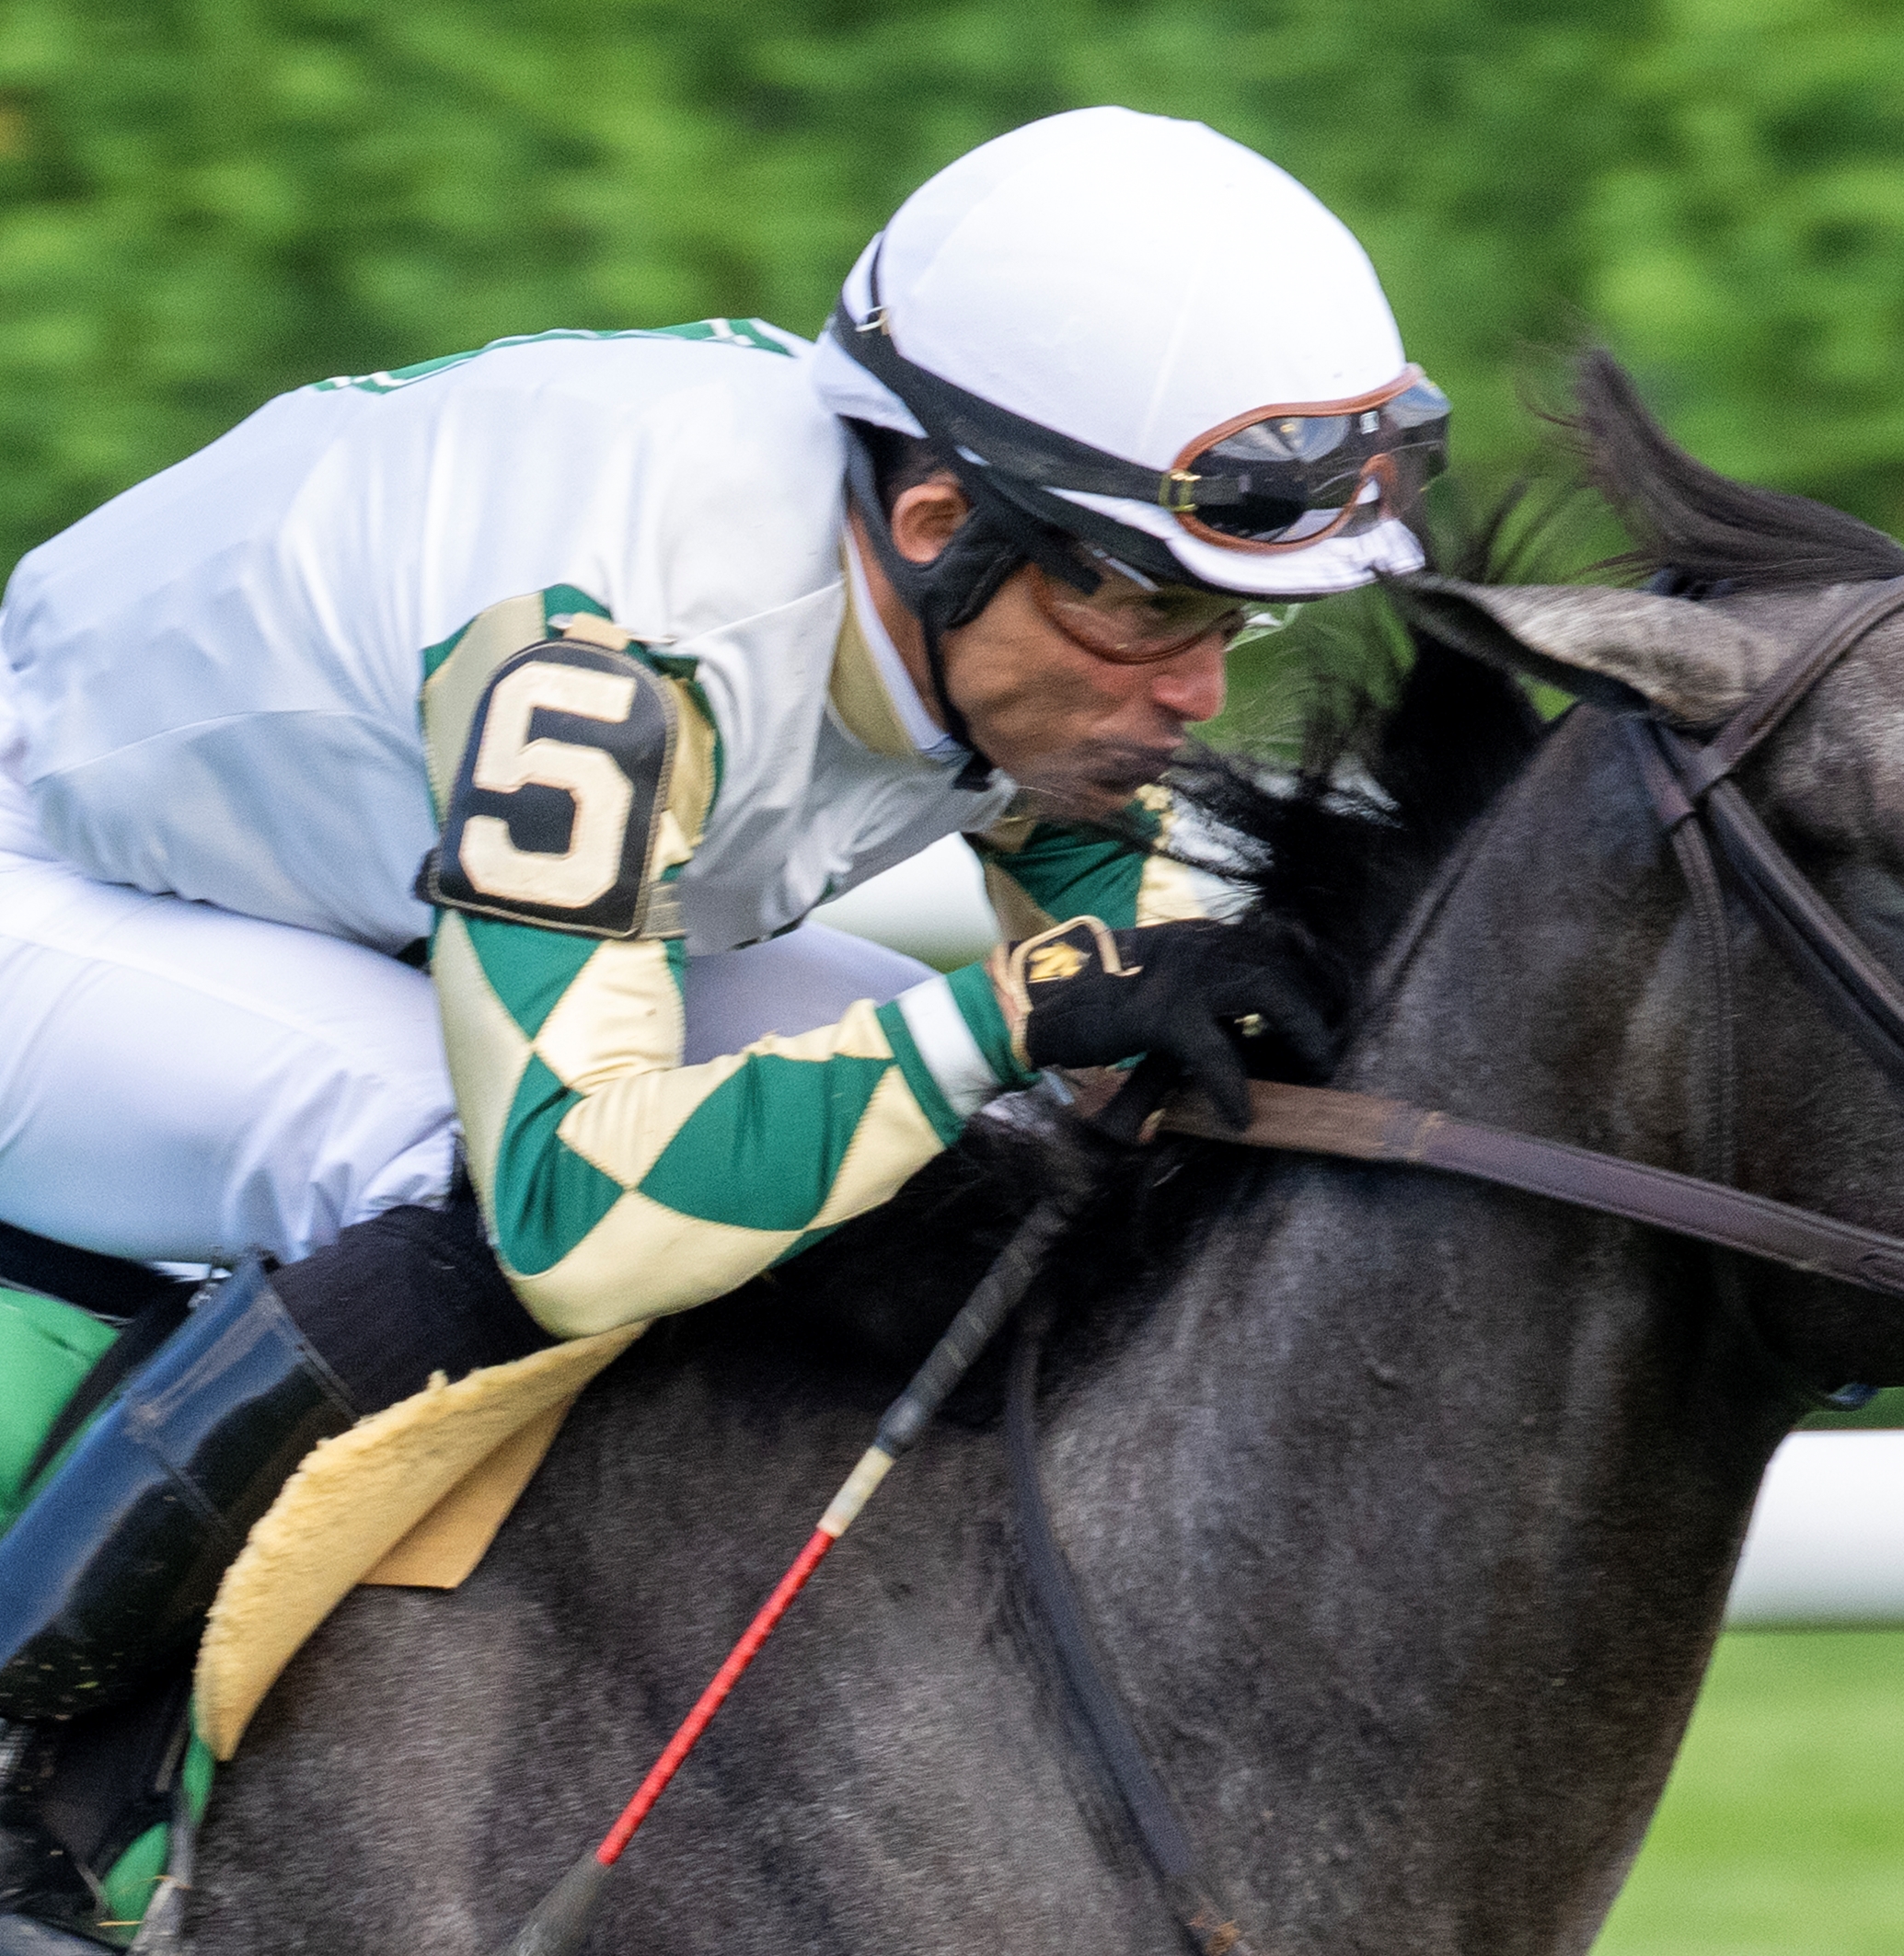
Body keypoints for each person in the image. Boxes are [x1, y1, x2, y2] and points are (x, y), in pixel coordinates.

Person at [0, 105, 1445, 1924]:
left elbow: (1126, 957)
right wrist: (1006, 1012)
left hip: (348, 882)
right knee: (445, 1163)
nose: (1192, 692)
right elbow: (579, 1219)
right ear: (937, 522)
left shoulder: (973, 579)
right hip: (63, 894)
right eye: (1154, 612)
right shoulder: (604, 653)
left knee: (977, 1144)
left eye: (1231, 629)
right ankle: (25, 1774)